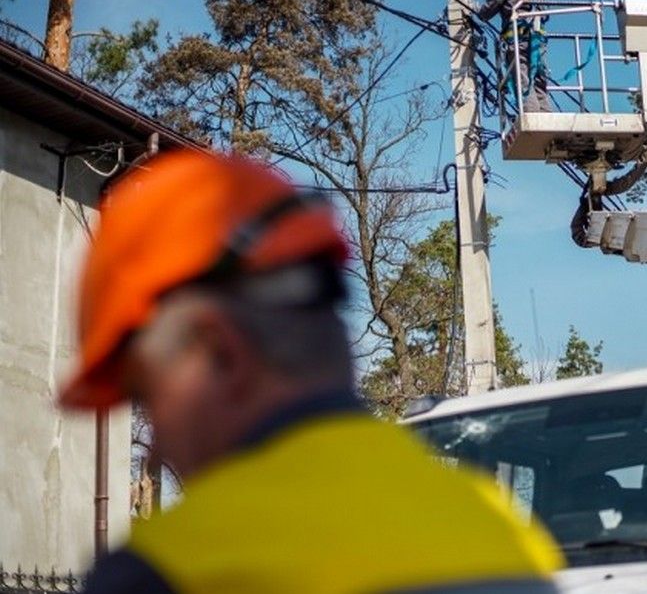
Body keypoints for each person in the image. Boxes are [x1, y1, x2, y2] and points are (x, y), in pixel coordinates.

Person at [61, 151, 562, 593]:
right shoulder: (505, 533)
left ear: (220, 352)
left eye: (147, 398)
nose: (156, 448)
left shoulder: (174, 572)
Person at [475, 0, 554, 113]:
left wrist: (475, 10)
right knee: (539, 81)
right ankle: (547, 116)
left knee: (522, 79)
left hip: (518, 41)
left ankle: (532, 117)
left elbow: (487, 11)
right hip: (539, 40)